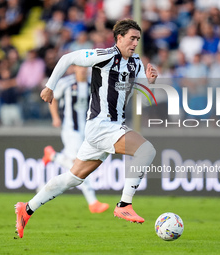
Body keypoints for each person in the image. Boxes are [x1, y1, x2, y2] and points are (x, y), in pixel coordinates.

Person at [15, 19, 158, 238]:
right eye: (131, 38)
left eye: (138, 39)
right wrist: (50, 86)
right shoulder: (105, 56)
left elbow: (141, 97)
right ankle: (123, 205)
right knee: (146, 150)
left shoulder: (136, 63)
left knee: (73, 178)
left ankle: (27, 208)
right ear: (119, 38)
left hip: (109, 128)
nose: (135, 43)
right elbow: (68, 58)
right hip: (101, 126)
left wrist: (150, 82)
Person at [41, 65, 109, 214]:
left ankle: (52, 155)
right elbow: (52, 98)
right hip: (71, 129)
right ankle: (93, 202)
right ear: (74, 68)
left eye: (85, 67)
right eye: (80, 67)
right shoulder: (66, 83)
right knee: (78, 165)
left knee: (75, 164)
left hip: (87, 130)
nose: (83, 70)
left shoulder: (94, 84)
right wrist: (55, 117)